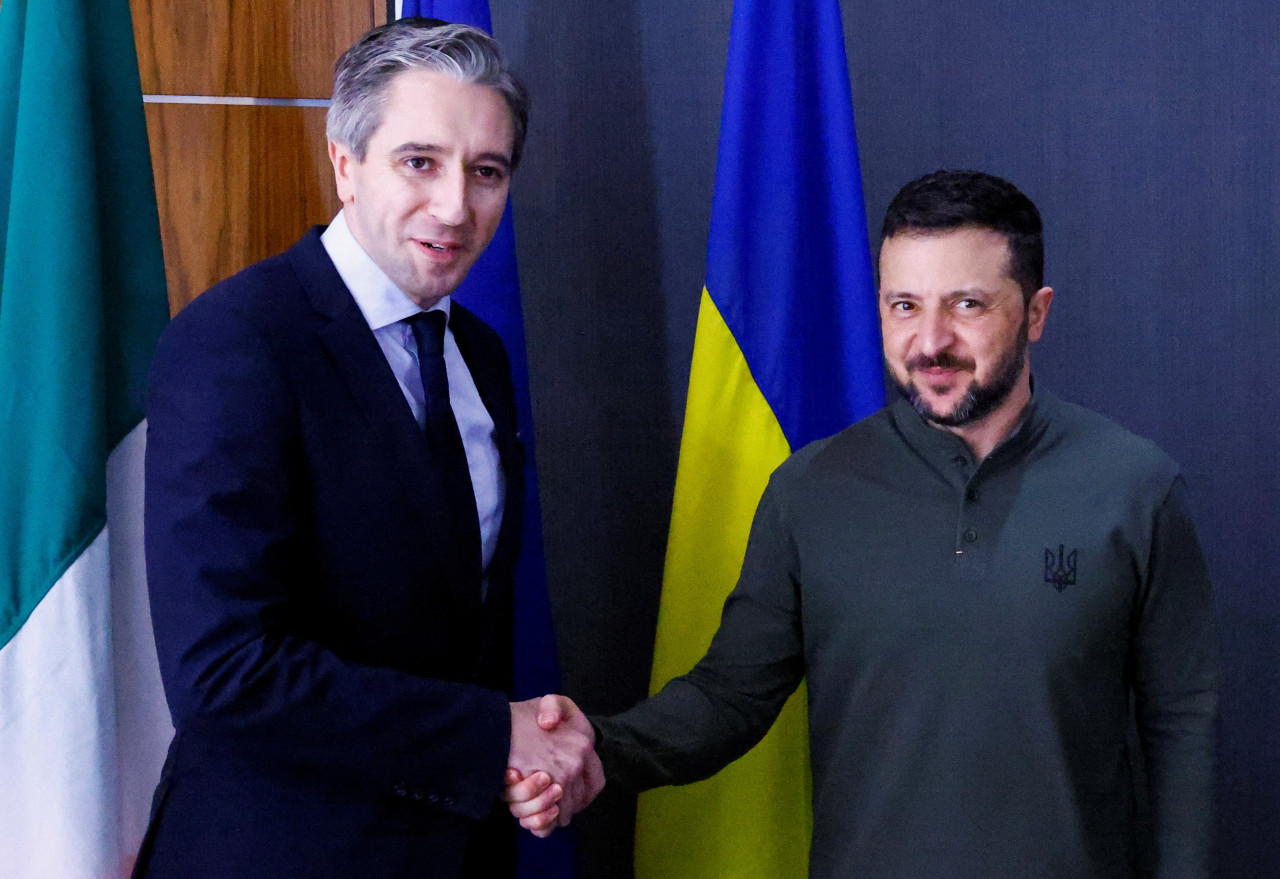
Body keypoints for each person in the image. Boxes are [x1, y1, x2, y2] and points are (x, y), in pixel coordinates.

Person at [508, 170, 1221, 878]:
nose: (929, 340)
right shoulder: (810, 491)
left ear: (1036, 313)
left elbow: (1182, 722)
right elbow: (729, 696)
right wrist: (599, 746)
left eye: (967, 305)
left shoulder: (1136, 486)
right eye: (903, 305)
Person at [136, 19, 600, 879]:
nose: (456, 206)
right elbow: (222, 672)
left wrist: (513, 759)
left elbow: (450, 635)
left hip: (453, 850)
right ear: (345, 164)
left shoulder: (480, 356)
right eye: (419, 161)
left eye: (487, 171)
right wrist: (489, 731)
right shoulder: (238, 341)